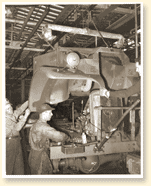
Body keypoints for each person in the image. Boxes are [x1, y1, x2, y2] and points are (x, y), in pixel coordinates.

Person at [28, 103, 70, 174]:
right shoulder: (43, 127)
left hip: (34, 154)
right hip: (40, 157)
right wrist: (68, 137)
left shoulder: (37, 124)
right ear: (44, 113)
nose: (52, 114)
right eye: (50, 112)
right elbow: (59, 136)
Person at [5, 98, 30, 175]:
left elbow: (20, 109)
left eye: (10, 106)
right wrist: (26, 116)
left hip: (16, 141)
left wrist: (29, 100)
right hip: (9, 143)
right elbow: (17, 128)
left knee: (19, 165)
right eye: (8, 108)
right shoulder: (4, 119)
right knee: (9, 167)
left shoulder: (11, 114)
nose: (11, 108)